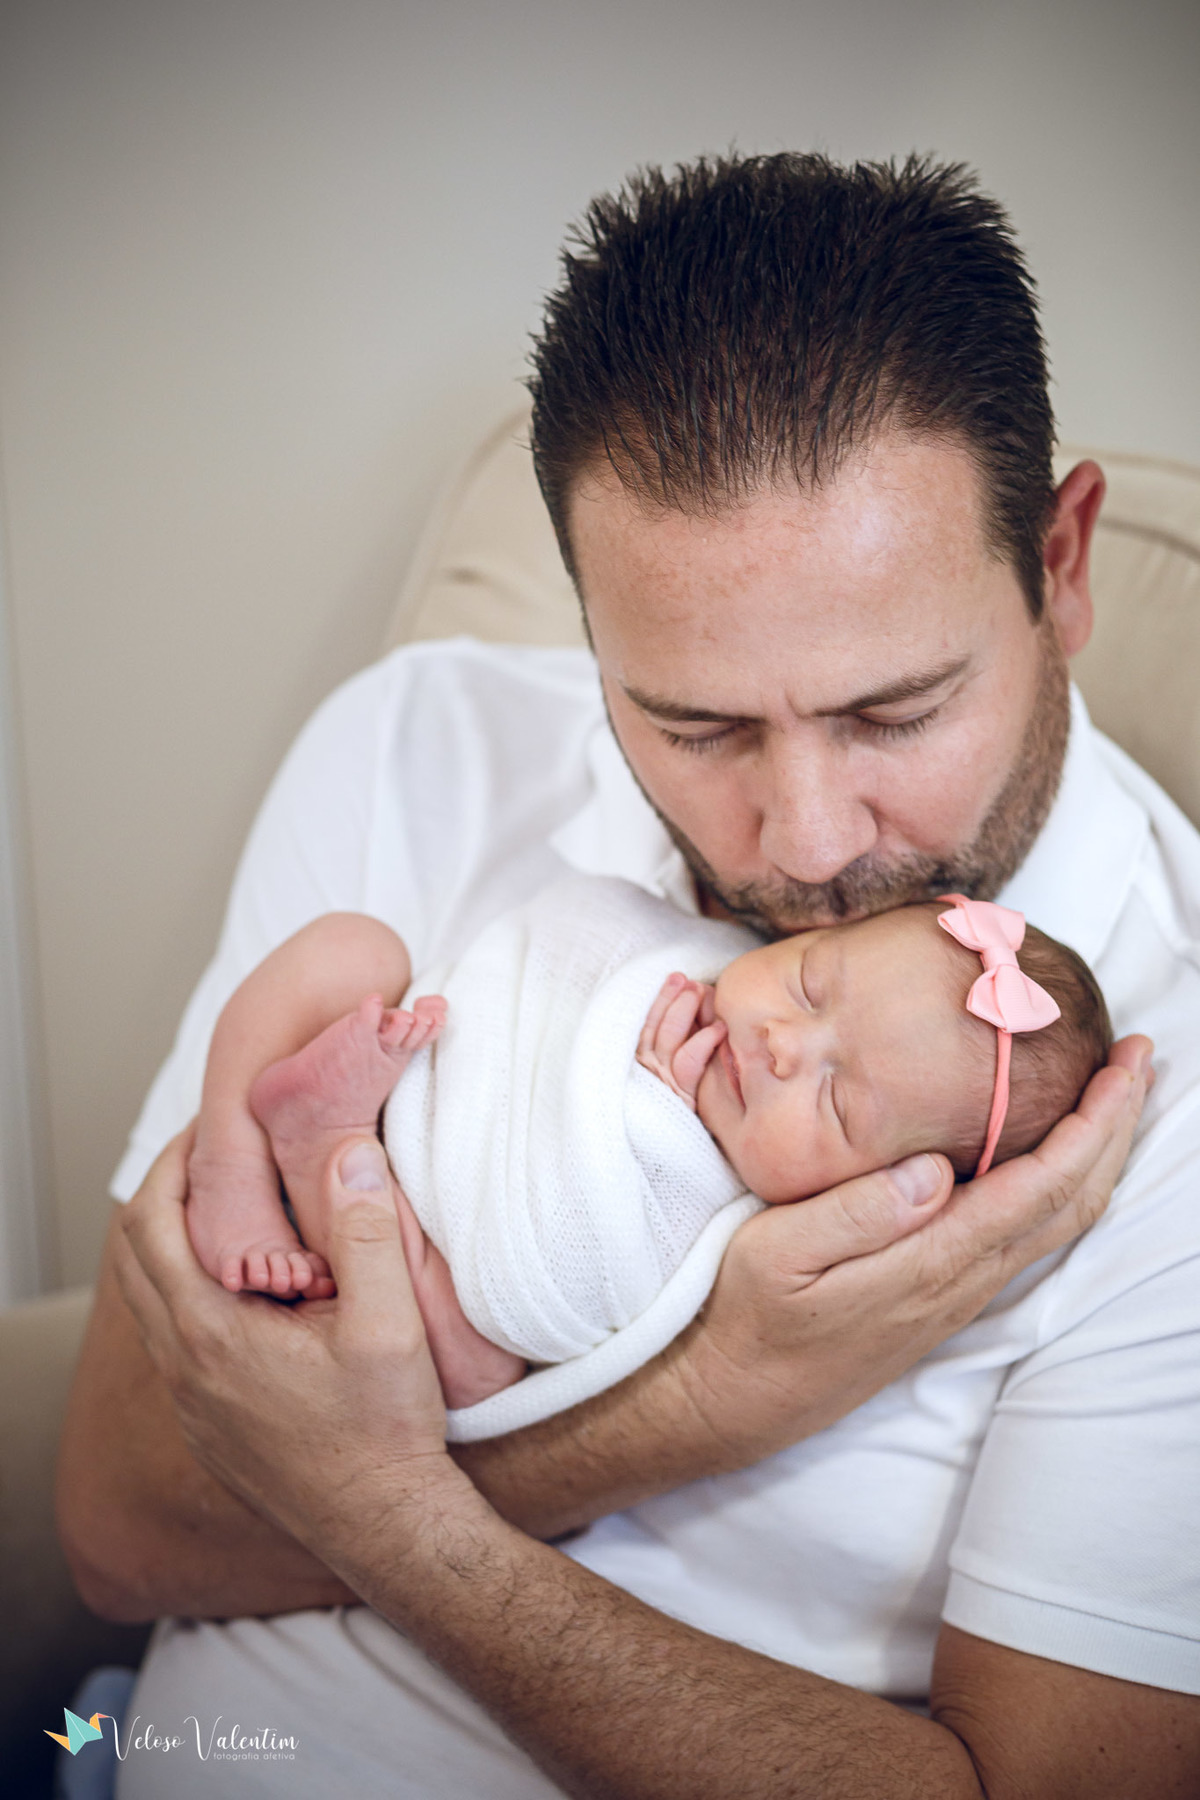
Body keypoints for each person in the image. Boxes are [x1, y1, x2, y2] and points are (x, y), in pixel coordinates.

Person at [59, 153, 1200, 1797]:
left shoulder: (1160, 1106)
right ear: (591, 628)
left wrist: (388, 1506)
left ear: (1065, 564)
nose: (805, 840)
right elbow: (118, 1523)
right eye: (695, 724)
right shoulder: (417, 754)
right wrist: (700, 1403)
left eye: (895, 714)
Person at [184, 882, 1109, 1443]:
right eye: (808, 983)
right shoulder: (688, 962)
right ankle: (233, 1152)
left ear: (885, 1188)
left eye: (836, 1101)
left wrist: (657, 1108)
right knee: (352, 946)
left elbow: (568, 1294)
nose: (785, 1044)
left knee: (472, 1369)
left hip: (416, 1245)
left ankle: (317, 1151)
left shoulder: (733, 1216)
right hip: (417, 1059)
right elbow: (567, 953)